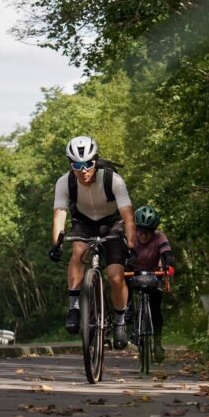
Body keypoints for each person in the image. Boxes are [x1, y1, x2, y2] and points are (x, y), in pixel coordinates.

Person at [48, 135, 137, 349]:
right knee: (78, 250)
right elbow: (59, 215)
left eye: (88, 164)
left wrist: (132, 246)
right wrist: (57, 245)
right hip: (84, 222)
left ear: (95, 161)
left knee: (115, 276)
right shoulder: (64, 182)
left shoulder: (112, 180)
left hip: (112, 223)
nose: (83, 169)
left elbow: (128, 216)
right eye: (77, 165)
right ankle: (74, 308)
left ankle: (120, 321)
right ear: (70, 164)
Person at [126, 205, 174, 363]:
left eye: (147, 231)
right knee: (124, 291)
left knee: (155, 309)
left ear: (153, 231)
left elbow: (166, 254)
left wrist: (169, 265)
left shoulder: (160, 237)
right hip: (133, 273)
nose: (143, 235)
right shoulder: (130, 236)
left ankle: (157, 344)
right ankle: (129, 319)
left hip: (154, 274)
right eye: (140, 230)